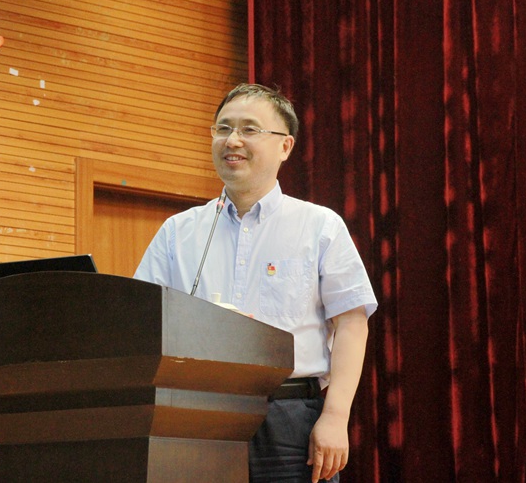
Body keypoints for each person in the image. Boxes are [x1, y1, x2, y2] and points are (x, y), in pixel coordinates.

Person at [134, 83, 377, 483]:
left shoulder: (319, 226)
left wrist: (335, 417)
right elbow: (142, 319)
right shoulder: (178, 231)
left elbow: (352, 324)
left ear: (285, 146)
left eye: (249, 129)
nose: (232, 140)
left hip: (289, 418)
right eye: (223, 128)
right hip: (194, 416)